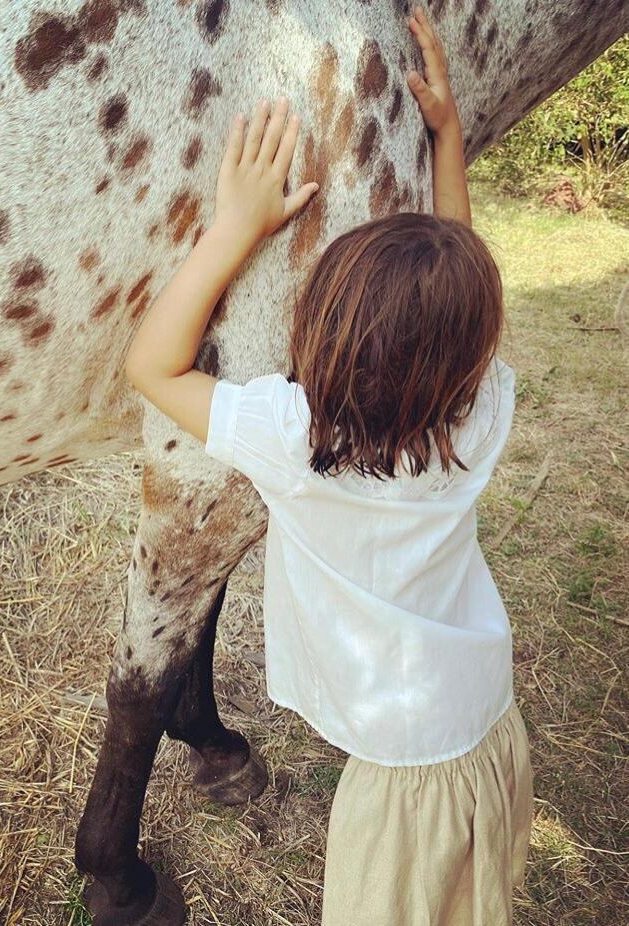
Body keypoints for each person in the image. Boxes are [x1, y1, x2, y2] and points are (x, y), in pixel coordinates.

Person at [124, 6, 534, 925]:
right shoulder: (479, 412)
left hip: (404, 778)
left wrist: (234, 227)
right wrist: (449, 137)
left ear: (320, 336)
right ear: (470, 351)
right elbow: (458, 285)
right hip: (488, 725)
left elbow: (151, 365)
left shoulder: (295, 436)